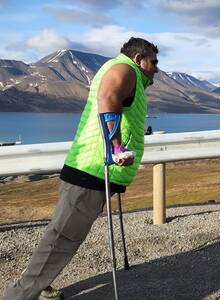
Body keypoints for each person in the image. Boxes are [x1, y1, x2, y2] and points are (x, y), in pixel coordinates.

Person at [4, 37, 159, 300]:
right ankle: (18, 296)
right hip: (92, 170)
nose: (156, 68)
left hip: (93, 169)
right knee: (62, 238)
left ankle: (39, 284)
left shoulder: (126, 72)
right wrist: (116, 149)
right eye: (153, 62)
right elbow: (108, 97)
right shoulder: (124, 70)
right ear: (138, 58)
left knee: (62, 236)